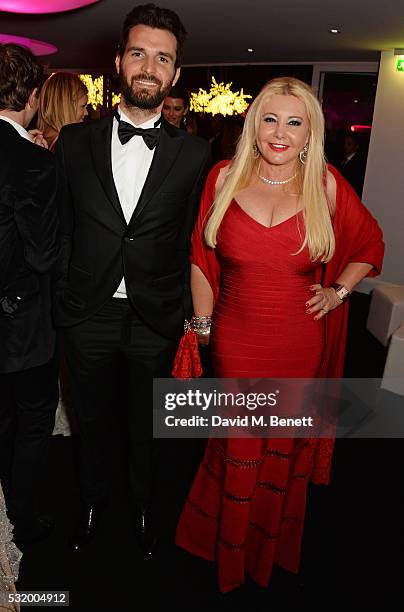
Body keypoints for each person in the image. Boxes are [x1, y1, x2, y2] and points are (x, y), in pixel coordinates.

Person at [175, 77, 384, 592]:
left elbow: (370, 243)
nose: (281, 133)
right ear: (254, 125)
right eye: (271, 118)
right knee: (238, 445)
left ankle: (263, 551)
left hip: (297, 343)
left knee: (279, 447)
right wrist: (202, 328)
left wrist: (337, 292)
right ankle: (226, 554)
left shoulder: (327, 185)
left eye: (295, 122)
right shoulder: (222, 178)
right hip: (235, 340)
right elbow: (202, 261)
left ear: (310, 133)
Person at [54, 3, 210, 555]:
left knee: (148, 427)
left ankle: (144, 508)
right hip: (87, 315)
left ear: (175, 74)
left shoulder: (196, 155)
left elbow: (193, 239)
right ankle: (91, 504)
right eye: (138, 53)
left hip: (155, 318)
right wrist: (64, 301)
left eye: (162, 58)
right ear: (118, 61)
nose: (149, 66)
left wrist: (196, 318)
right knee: (90, 422)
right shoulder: (73, 143)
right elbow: (63, 229)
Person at [0, 43, 59, 545]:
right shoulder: (33, 161)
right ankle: (20, 520)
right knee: (33, 421)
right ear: (34, 96)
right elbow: (42, 255)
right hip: (20, 326)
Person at [37, 72, 89, 436]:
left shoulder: (46, 145)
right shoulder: (59, 150)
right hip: (61, 268)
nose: (87, 112)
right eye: (83, 105)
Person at [37, 71, 88, 152]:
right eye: (83, 106)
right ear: (66, 106)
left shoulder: (38, 141)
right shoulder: (68, 147)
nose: (86, 113)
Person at [338, 132, 367, 197]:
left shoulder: (358, 164)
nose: (345, 146)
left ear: (356, 146)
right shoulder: (342, 160)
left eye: (349, 144)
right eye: (345, 143)